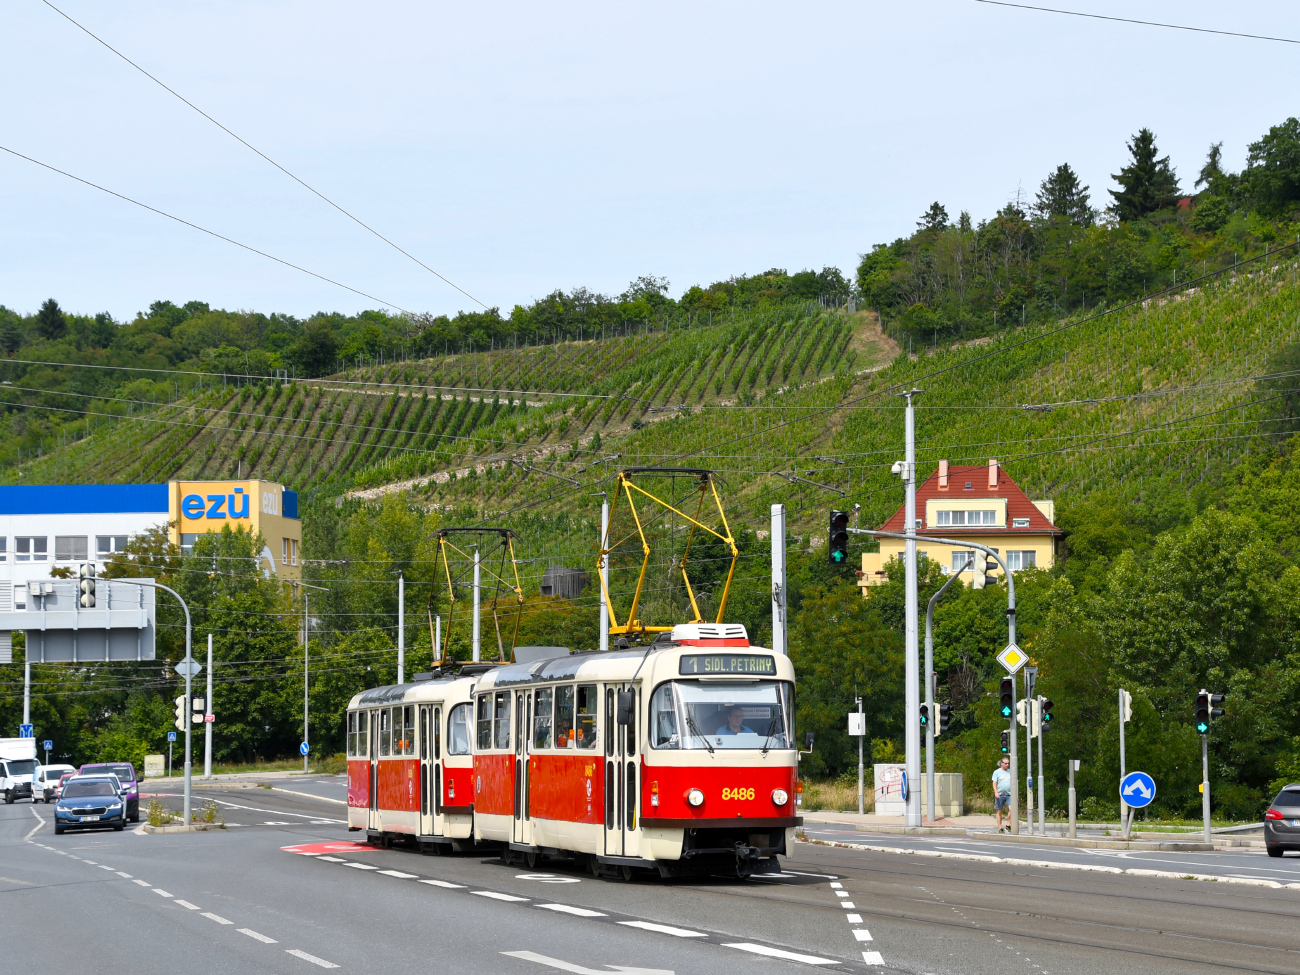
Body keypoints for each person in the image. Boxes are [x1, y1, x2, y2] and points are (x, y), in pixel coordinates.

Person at [992, 757, 1012, 832]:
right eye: (1005, 763)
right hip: (1000, 795)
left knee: (1012, 809)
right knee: (999, 811)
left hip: (1009, 795)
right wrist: (996, 792)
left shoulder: (1010, 771)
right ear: (1001, 763)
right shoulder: (997, 772)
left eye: (1008, 763)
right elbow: (994, 783)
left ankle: (1008, 824)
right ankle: (1000, 828)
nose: (1007, 765)